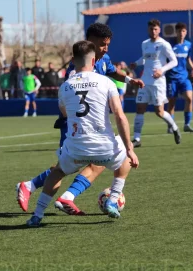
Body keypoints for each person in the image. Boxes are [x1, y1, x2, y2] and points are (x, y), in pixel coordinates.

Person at [16, 23, 144, 216]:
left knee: (84, 162)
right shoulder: (75, 70)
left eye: (108, 44)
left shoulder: (103, 58)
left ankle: (61, 195)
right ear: (90, 42)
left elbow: (111, 71)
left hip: (91, 124)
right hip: (75, 124)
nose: (106, 49)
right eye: (102, 44)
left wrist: (128, 80)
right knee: (75, 163)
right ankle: (35, 187)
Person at [129, 19, 181, 148]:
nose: (153, 31)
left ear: (159, 30)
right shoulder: (144, 44)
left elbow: (174, 61)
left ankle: (174, 127)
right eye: (151, 29)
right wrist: (136, 63)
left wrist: (161, 70)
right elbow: (145, 59)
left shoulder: (164, 44)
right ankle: (136, 139)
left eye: (156, 29)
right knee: (140, 108)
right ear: (148, 30)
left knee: (159, 112)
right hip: (145, 81)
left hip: (158, 82)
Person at [166, 22, 193, 134]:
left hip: (184, 77)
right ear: (176, 32)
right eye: (179, 31)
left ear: (186, 32)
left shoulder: (188, 45)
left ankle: (187, 124)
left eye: (183, 31)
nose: (181, 33)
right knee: (172, 103)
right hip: (172, 78)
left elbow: (188, 58)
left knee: (189, 98)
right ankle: (171, 125)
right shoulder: (169, 45)